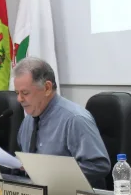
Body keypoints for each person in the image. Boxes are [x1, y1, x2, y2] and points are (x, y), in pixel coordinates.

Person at [14, 57, 110, 188]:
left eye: (25, 93)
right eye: (17, 93)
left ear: (47, 88)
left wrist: (51, 174)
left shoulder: (75, 119)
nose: (19, 99)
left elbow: (99, 165)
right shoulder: (28, 120)